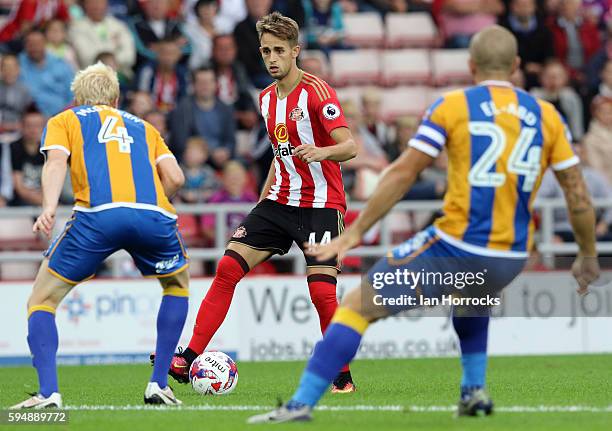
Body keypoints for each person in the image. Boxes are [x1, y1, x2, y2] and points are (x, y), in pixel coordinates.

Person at [247, 25, 600, 423]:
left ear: (470, 66)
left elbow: (402, 174)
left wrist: (354, 234)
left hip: (457, 245)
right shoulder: (546, 115)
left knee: (353, 308)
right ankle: (473, 390)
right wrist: (587, 255)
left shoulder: (453, 106)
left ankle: (300, 404)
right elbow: (577, 194)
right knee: (472, 300)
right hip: (510, 254)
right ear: (517, 66)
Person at [153, 11, 358, 393]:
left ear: (295, 51)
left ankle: (341, 375)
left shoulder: (318, 92)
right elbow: (280, 157)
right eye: (266, 51)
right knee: (228, 266)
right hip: (278, 201)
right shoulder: (265, 99)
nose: (272, 58)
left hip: (321, 205)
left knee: (321, 292)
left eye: (279, 50)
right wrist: (261, 202)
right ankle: (189, 357)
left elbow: (350, 146)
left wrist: (321, 151)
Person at [10, 62, 189, 409]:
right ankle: (159, 384)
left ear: (76, 98)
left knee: (42, 301)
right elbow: (177, 178)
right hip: (155, 215)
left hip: (98, 215)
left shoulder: (65, 120)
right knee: (177, 286)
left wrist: (48, 207)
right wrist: (152, 207)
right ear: (117, 98)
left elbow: (55, 162)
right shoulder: (146, 127)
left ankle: (49, 394)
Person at [18, 29, 74, 117]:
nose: (35, 48)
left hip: (59, 115)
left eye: (38, 44)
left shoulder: (60, 64)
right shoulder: (17, 64)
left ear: (45, 44)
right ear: (25, 46)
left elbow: (72, 95)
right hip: (28, 118)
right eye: (31, 44)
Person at [9, 108, 46, 206]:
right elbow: (19, 187)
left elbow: (50, 182)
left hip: (45, 198)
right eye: (29, 126)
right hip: (19, 202)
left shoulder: (48, 149)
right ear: (21, 126)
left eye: (37, 126)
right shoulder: (14, 148)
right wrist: (44, 202)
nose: (33, 130)